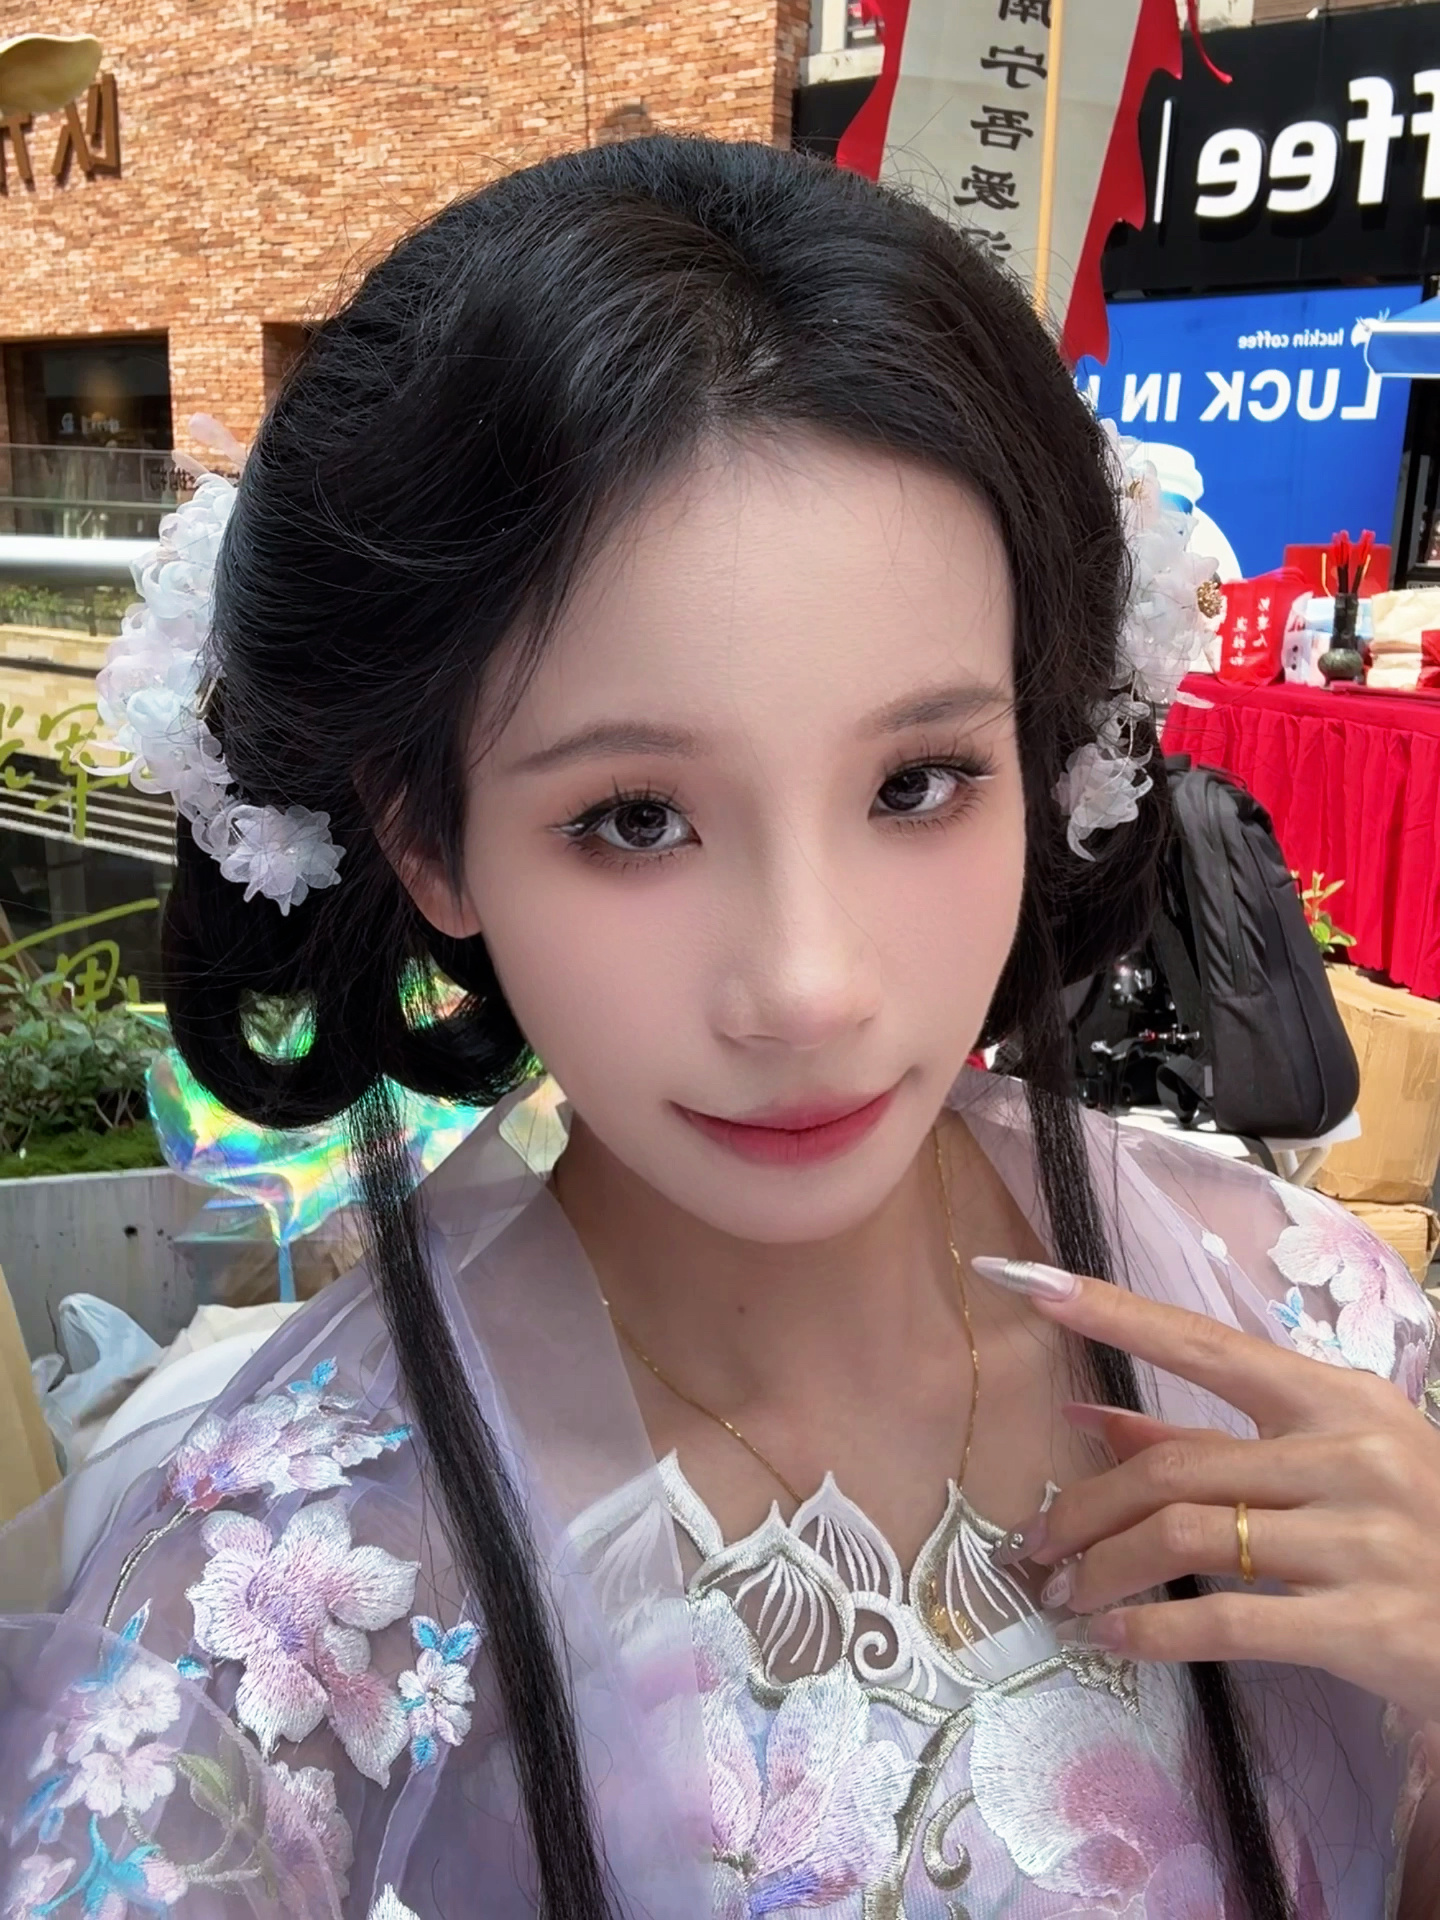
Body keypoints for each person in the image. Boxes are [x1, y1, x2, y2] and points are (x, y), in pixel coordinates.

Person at [2, 134, 1438, 1920]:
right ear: (427, 839)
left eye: (919, 781)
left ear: (1045, 751)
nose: (810, 986)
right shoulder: (299, 1582)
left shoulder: (1305, 1331)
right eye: (633, 818)